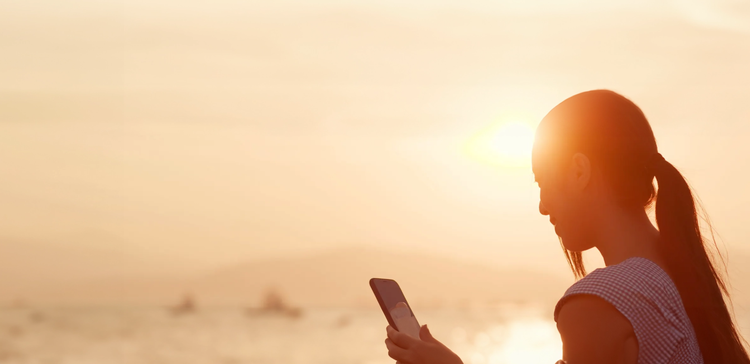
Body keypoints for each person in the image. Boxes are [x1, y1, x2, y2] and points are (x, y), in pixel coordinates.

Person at [383, 90, 750, 363]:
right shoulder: (685, 280)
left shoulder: (601, 301)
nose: (543, 207)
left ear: (578, 171)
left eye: (542, 182)